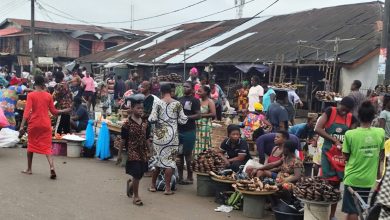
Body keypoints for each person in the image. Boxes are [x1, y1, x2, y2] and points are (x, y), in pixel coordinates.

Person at [314, 96, 358, 220]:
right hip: (328, 152)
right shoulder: (330, 111)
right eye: (343, 109)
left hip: (340, 155)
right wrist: (334, 140)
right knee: (326, 182)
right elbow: (317, 128)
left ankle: (332, 215)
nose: (344, 112)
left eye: (347, 110)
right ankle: (320, 213)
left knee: (336, 184)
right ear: (339, 104)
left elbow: (352, 136)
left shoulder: (351, 118)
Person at [19, 75, 70, 179]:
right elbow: (54, 112)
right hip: (46, 124)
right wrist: (64, 111)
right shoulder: (48, 95)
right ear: (43, 84)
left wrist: (21, 126)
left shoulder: (31, 95)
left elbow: (27, 112)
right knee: (47, 147)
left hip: (34, 124)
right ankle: (51, 167)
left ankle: (29, 169)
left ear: (34, 83)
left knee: (31, 145)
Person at [342, 101, 385, 220]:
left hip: (352, 178)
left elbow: (345, 156)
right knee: (360, 207)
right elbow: (381, 155)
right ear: (373, 117)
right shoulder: (380, 133)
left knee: (352, 210)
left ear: (358, 116)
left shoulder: (350, 134)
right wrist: (378, 173)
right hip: (368, 179)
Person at [148, 84, 188, 195]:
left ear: (161, 92)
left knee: (157, 160)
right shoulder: (177, 104)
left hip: (159, 136)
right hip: (172, 137)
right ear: (171, 92)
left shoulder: (157, 103)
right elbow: (183, 120)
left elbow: (152, 118)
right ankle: (167, 189)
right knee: (169, 163)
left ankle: (152, 186)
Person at [118, 96, 149, 206]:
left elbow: (147, 138)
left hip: (143, 151)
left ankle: (131, 185)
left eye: (141, 108)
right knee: (136, 172)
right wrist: (120, 154)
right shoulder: (127, 123)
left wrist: (150, 151)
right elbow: (122, 140)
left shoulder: (145, 122)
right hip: (132, 151)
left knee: (141, 173)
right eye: (138, 108)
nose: (140, 110)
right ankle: (136, 196)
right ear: (131, 109)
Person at [177, 82, 201, 184]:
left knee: (188, 154)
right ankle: (180, 176)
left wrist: (186, 117)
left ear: (192, 89)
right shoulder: (179, 100)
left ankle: (190, 177)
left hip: (189, 131)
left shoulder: (195, 100)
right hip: (179, 131)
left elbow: (198, 115)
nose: (185, 88)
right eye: (184, 86)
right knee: (179, 154)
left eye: (187, 86)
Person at [195, 85, 216, 154]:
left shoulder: (210, 102)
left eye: (200, 91)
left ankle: (203, 157)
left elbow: (213, 114)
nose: (198, 93)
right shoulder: (198, 101)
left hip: (205, 126)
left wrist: (201, 115)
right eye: (198, 91)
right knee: (197, 142)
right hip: (197, 125)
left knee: (204, 142)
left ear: (206, 92)